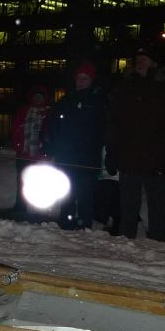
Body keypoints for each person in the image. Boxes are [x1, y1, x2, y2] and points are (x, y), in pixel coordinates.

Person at [105, 46, 165, 240]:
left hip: (157, 159)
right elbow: (112, 122)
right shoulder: (125, 86)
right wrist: (112, 151)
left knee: (157, 209)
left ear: (155, 62)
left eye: (145, 58)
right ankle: (126, 244)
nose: (140, 61)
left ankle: (156, 248)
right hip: (129, 158)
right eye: (138, 58)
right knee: (128, 209)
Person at [46, 62, 107, 230]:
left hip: (87, 158)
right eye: (78, 78)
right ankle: (66, 224)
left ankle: (84, 226)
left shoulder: (98, 102)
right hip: (66, 157)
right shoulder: (66, 100)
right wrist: (52, 145)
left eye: (84, 78)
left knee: (85, 196)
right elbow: (54, 125)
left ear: (91, 80)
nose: (80, 82)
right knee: (67, 195)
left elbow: (103, 129)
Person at [9, 84, 51, 218]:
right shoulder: (23, 111)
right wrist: (18, 144)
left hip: (40, 156)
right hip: (24, 153)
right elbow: (15, 129)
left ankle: (41, 211)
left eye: (40, 97)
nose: (38, 99)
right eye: (35, 96)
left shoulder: (48, 113)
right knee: (22, 182)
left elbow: (51, 133)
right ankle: (20, 207)